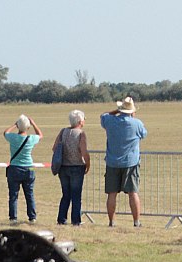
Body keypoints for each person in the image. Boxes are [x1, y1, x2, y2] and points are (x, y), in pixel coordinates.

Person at [102, 97, 147, 227]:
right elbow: (143, 134)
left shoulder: (110, 121)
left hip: (112, 162)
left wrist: (116, 110)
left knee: (112, 194)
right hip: (130, 163)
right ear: (132, 111)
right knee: (133, 192)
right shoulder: (137, 123)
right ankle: (136, 221)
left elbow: (103, 115)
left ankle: (111, 221)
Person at [52, 110, 91, 227]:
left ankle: (61, 219)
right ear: (80, 121)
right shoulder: (81, 133)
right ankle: (76, 220)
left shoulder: (63, 131)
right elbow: (83, 151)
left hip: (63, 167)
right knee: (76, 195)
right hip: (77, 166)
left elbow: (54, 148)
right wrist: (88, 164)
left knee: (66, 195)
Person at [3, 114, 42, 223]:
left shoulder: (13, 137)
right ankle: (32, 217)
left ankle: (13, 218)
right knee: (29, 194)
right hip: (29, 168)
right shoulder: (31, 139)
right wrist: (33, 123)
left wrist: (15, 125)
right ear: (28, 127)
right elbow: (40, 134)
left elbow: (5, 133)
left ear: (19, 126)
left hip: (15, 167)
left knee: (13, 195)